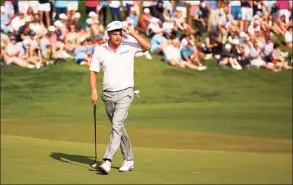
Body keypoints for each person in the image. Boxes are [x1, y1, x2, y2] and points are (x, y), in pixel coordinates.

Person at [89, 21, 150, 175]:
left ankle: (107, 160)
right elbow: (93, 71)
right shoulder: (100, 50)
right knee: (119, 128)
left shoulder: (129, 45)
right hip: (108, 95)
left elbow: (147, 46)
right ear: (109, 34)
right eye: (115, 34)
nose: (118, 36)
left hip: (126, 92)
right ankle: (129, 159)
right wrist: (94, 91)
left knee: (116, 125)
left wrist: (132, 33)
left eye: (120, 33)